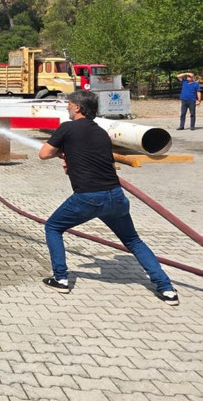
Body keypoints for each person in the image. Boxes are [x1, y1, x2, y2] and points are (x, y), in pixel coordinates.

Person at [38, 89, 179, 305]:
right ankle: (166, 289)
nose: (66, 106)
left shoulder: (67, 128)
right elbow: (104, 162)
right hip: (116, 196)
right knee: (133, 240)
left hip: (88, 197)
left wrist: (62, 152)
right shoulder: (101, 132)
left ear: (77, 107)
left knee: (53, 227)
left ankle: (61, 278)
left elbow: (43, 154)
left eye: (69, 103)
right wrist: (71, 158)